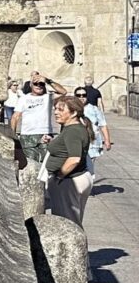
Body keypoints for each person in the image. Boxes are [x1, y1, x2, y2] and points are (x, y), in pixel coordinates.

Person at [45, 94, 94, 225]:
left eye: (61, 110)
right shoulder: (72, 128)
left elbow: (74, 159)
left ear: (74, 113)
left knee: (67, 224)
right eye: (55, 109)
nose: (56, 112)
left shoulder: (73, 131)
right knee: (71, 222)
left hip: (69, 181)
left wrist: (59, 176)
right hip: (73, 179)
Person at [6, 74, 53, 167]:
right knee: (30, 164)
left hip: (45, 134)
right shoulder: (24, 98)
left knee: (46, 164)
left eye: (41, 84)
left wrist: (48, 81)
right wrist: (13, 136)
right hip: (27, 135)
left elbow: (63, 92)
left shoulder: (48, 98)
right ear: (31, 85)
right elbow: (15, 117)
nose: (39, 86)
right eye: (36, 84)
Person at [84, 92, 112, 173]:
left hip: (92, 141)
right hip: (76, 141)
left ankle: (89, 178)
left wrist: (107, 140)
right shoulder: (71, 108)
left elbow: (103, 125)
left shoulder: (94, 109)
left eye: (84, 95)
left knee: (89, 166)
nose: (81, 97)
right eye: (78, 95)